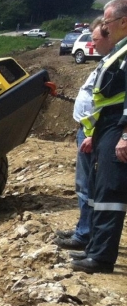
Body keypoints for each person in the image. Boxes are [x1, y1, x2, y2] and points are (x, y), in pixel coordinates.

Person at [71, 0, 127, 274]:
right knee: (100, 191)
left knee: (110, 194)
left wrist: (126, 134)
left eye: (107, 21)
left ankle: (102, 258)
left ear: (123, 21)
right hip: (108, 125)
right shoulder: (120, 50)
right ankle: (95, 249)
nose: (105, 26)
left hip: (119, 125)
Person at [55, 18, 115, 251]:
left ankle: (85, 234)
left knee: (87, 186)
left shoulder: (116, 64)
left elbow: (107, 104)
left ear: (110, 37)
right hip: (90, 131)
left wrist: (93, 133)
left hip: (95, 133)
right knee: (85, 185)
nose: (91, 42)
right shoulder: (106, 62)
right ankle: (84, 227)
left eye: (96, 38)